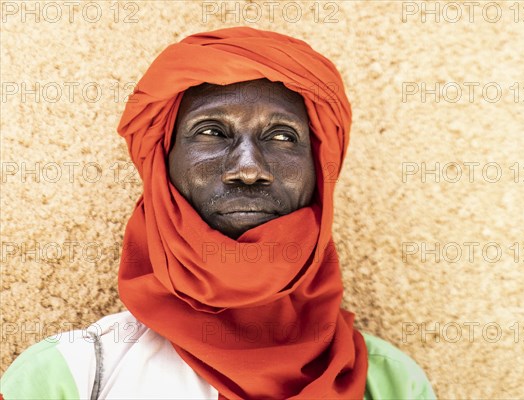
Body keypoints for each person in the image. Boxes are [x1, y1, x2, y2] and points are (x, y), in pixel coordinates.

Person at [1, 27, 436, 399]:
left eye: (282, 137)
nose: (249, 168)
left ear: (320, 171)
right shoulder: (71, 376)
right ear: (161, 165)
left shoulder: (389, 382)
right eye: (211, 131)